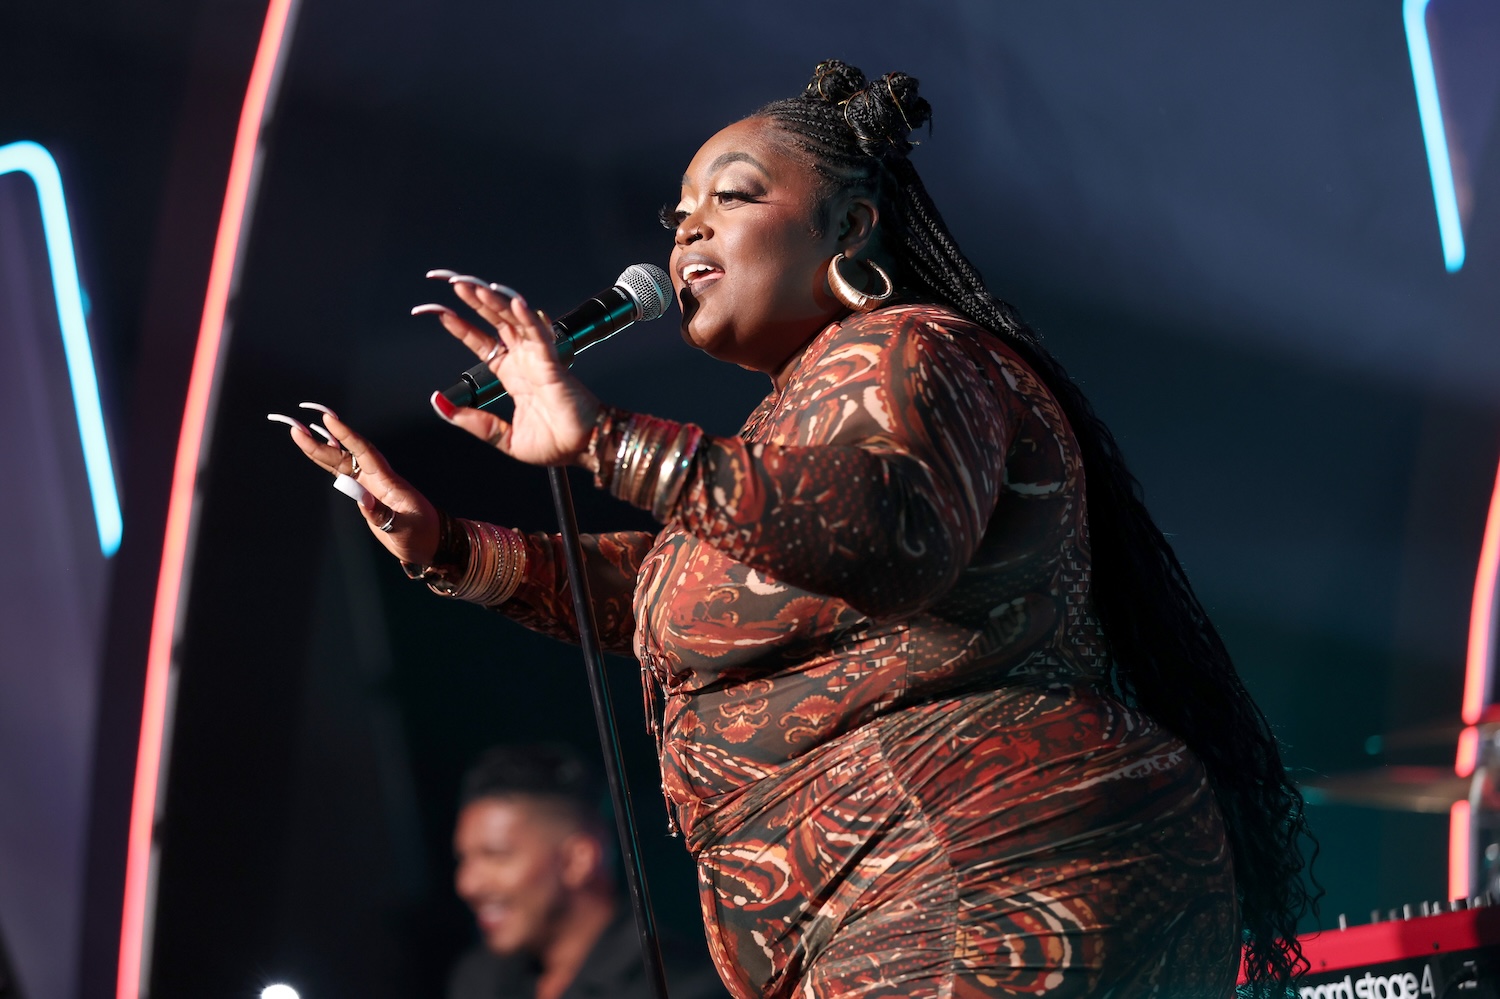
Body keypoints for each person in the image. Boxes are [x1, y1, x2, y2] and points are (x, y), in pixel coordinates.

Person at [274, 60, 1315, 997]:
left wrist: (605, 440)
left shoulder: (909, 348)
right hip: (901, 891)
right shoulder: (793, 428)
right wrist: (447, 547)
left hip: (977, 867)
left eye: (731, 196)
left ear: (851, 228)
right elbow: (679, 593)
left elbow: (889, 534)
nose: (687, 231)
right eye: (678, 213)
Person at [448, 743, 726, 999]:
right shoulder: (482, 980)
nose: (466, 885)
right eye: (464, 859)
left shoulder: (678, 985)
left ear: (577, 860)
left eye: (496, 856)